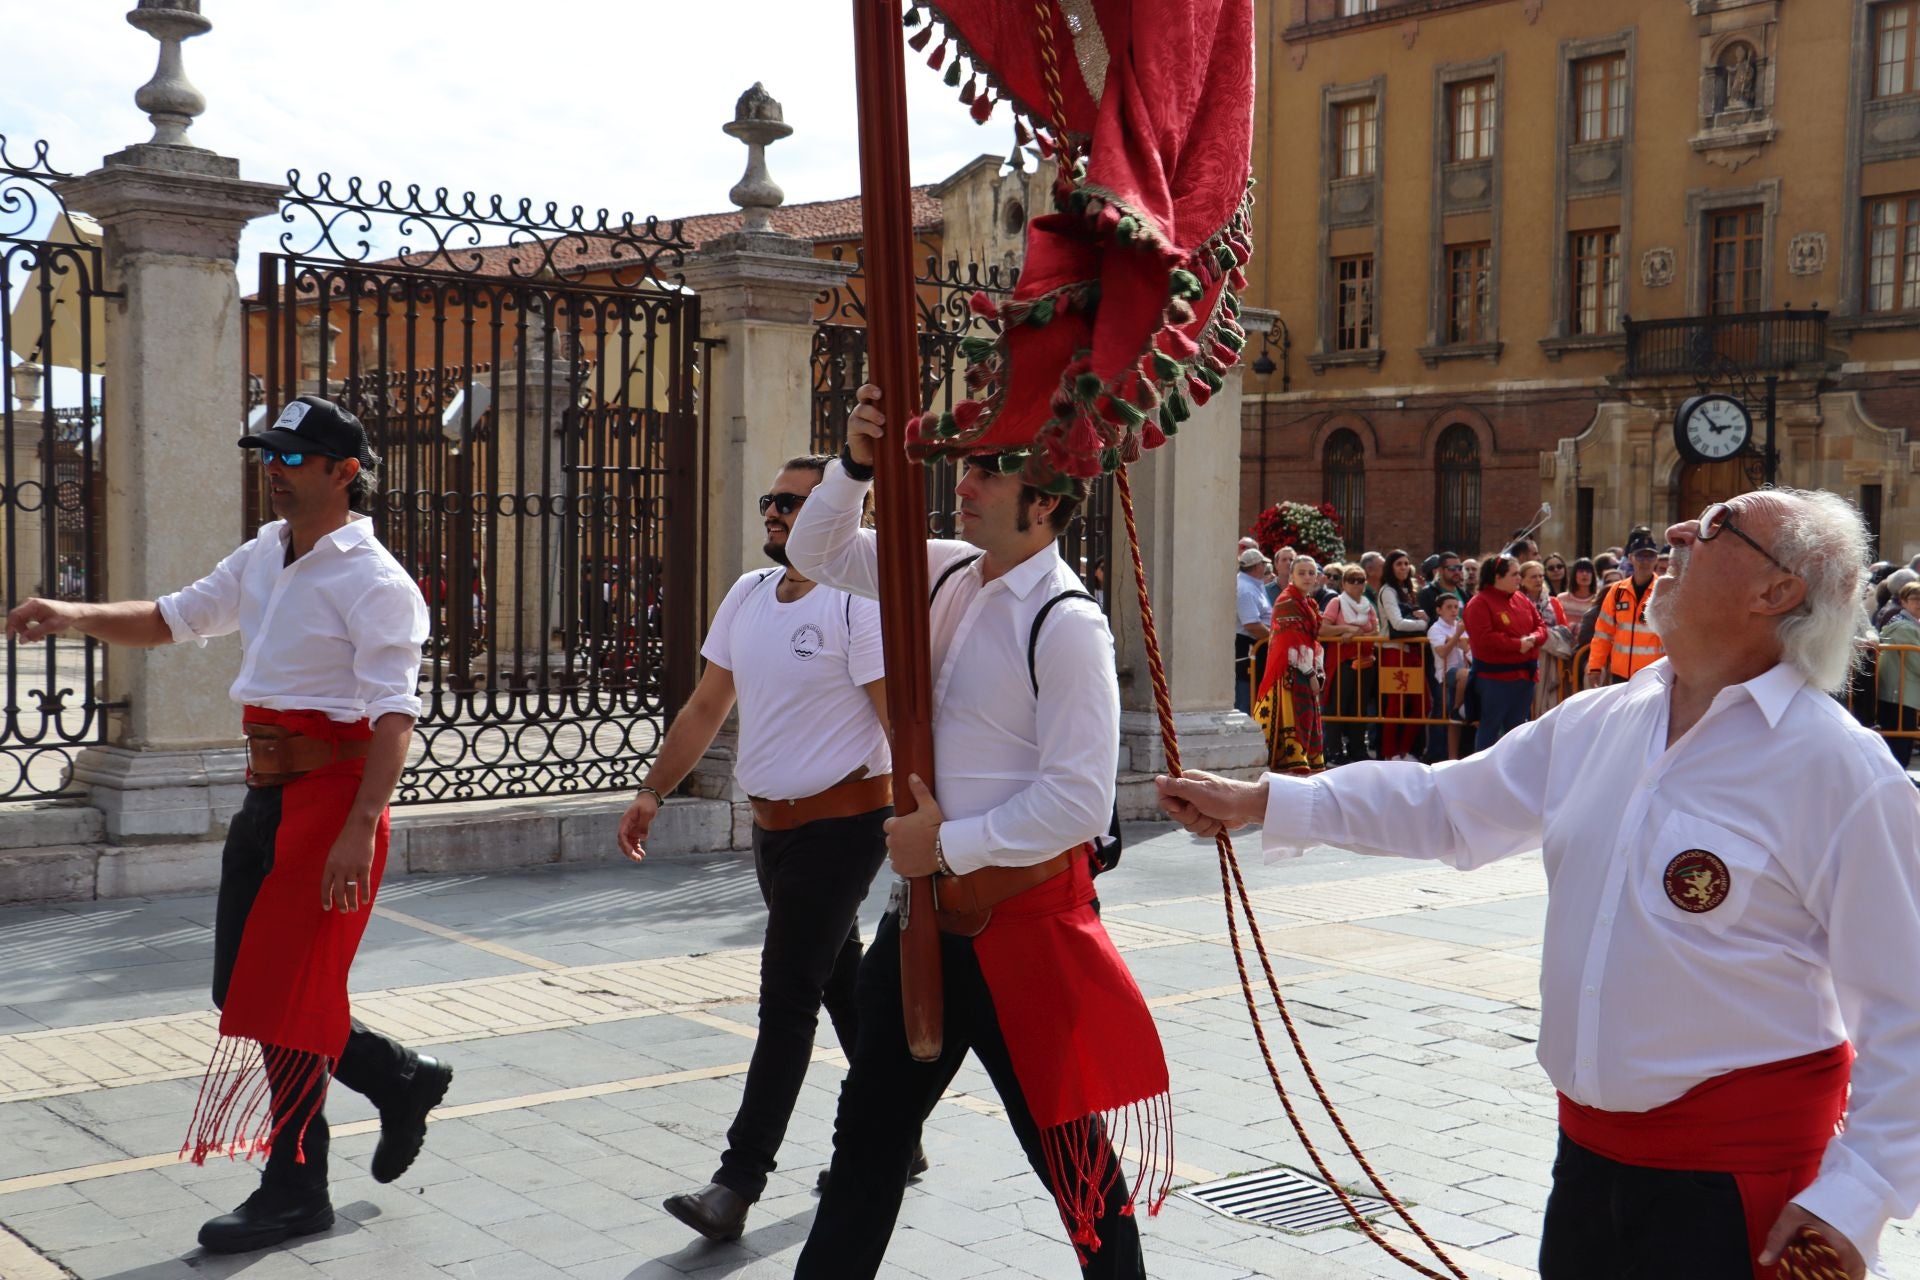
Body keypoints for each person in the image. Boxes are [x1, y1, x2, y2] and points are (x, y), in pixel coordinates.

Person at [1156, 489, 1920, 1280]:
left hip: (1739, 1188)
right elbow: (1447, 805)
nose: (1681, 530)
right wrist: (1264, 800)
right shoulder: (1600, 721)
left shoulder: (1842, 774)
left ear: (1778, 591)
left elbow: (1907, 1010)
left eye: (1721, 525)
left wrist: (1856, 1197)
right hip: (1586, 1167)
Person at [5, 396, 448, 1253]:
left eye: (289, 459)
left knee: (283, 1003)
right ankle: (399, 1078)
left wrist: (362, 828)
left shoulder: (376, 580)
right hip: (269, 796)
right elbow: (174, 619)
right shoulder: (266, 553)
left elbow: (395, 717)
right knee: (240, 990)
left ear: (342, 472)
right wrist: (72, 615)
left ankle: (295, 1186)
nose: (271, 471)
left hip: (334, 802)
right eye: (266, 456)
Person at [786, 385, 1167, 1280]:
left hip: (1021, 934)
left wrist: (946, 845)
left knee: (1074, 1169)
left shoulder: (1068, 624)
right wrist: (855, 463)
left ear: (1046, 502)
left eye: (992, 470)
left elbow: (1078, 803)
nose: (967, 479)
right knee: (866, 1144)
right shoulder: (950, 567)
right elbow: (816, 548)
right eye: (971, 461)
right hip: (924, 921)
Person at [617, 455, 910, 1243]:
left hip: (842, 829)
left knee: (787, 999)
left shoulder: (858, 604)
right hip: (771, 832)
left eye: (791, 503)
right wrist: (654, 790)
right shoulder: (748, 595)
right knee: (840, 981)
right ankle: (900, 1131)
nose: (774, 515)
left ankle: (737, 1182)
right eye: (769, 502)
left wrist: (932, 820)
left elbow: (896, 721)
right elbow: (708, 702)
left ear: (835, 518)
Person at [1462, 554, 1545, 750]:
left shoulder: (1521, 598)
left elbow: (1541, 625)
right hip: (1495, 679)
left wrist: (1533, 638)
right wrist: (1517, 644)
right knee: (1490, 730)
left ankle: (1514, 773)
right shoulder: (1479, 603)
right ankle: (1483, 774)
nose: (1519, 578)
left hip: (1524, 677)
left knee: (1517, 732)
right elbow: (1485, 639)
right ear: (1497, 577)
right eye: (1514, 574)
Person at [1251, 554, 1325, 774]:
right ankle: (1292, 758)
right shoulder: (1287, 601)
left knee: (1306, 714)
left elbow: (1311, 641)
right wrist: (1311, 673)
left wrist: (1318, 669)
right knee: (1291, 713)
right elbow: (1291, 643)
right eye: (1301, 572)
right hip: (1288, 670)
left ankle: (1302, 758)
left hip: (1303, 666)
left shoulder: (1308, 602)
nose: (1307, 577)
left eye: (1311, 573)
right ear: (1291, 575)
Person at [1587, 528, 1666, 689]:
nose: (1645, 561)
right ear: (1630, 558)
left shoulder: (1664, 592)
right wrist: (1595, 666)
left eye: (1650, 556)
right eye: (1640, 556)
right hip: (1620, 675)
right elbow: (1603, 633)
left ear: (1656, 559)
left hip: (1652, 676)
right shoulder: (1617, 591)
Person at [1321, 565, 1380, 766]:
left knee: (1359, 708)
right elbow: (1324, 629)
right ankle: (1333, 751)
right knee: (1337, 706)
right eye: (1352, 580)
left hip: (1364, 663)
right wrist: (1346, 628)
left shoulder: (1368, 605)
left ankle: (1357, 749)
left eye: (1361, 580)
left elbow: (1376, 630)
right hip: (1341, 663)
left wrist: (1357, 635)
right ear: (1344, 583)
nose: (1357, 585)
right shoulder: (1336, 603)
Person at [1375, 550, 1428, 761]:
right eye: (1399, 564)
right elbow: (1396, 623)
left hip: (1410, 653)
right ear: (1391, 567)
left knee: (1423, 704)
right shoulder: (1388, 591)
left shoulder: (1407, 590)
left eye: (1406, 563)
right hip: (1394, 653)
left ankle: (1404, 751)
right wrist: (1423, 623)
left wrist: (1421, 618)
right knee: (1395, 706)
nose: (1404, 567)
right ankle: (1390, 753)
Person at [1877, 580, 1920, 770]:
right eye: (1915, 599)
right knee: (1900, 742)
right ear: (1903, 601)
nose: (1919, 603)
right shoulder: (1904, 628)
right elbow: (1916, 661)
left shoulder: (1906, 625)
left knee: (1900, 740)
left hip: (1900, 692)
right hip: (1900, 693)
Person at [1521, 559, 1573, 714]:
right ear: (1522, 580)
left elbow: (1564, 631)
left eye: (1540, 576)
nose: (1538, 580)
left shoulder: (1553, 603)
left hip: (1551, 662)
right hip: (1526, 661)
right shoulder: (1517, 603)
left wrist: (1544, 636)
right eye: (1533, 577)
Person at [1425, 593, 1470, 760]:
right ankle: (1457, 709)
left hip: (1463, 673)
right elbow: (1442, 652)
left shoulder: (1459, 626)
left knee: (1455, 723)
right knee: (1446, 715)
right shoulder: (1435, 629)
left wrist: (1465, 646)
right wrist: (1458, 635)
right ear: (1439, 610)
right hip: (1446, 674)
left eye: (1455, 607)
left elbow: (1468, 651)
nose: (1453, 610)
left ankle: (1456, 755)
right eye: (1449, 607)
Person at [1235, 547, 1273, 714]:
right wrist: (1274, 638)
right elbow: (1251, 624)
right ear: (1257, 566)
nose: (1265, 568)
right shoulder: (1246, 589)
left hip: (1257, 647)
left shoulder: (1252, 585)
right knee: (1247, 699)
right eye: (1263, 564)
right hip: (1249, 648)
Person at [1557, 557, 1600, 635]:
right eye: (1581, 571)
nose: (1585, 574)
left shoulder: (1598, 600)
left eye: (1588, 571)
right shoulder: (1561, 599)